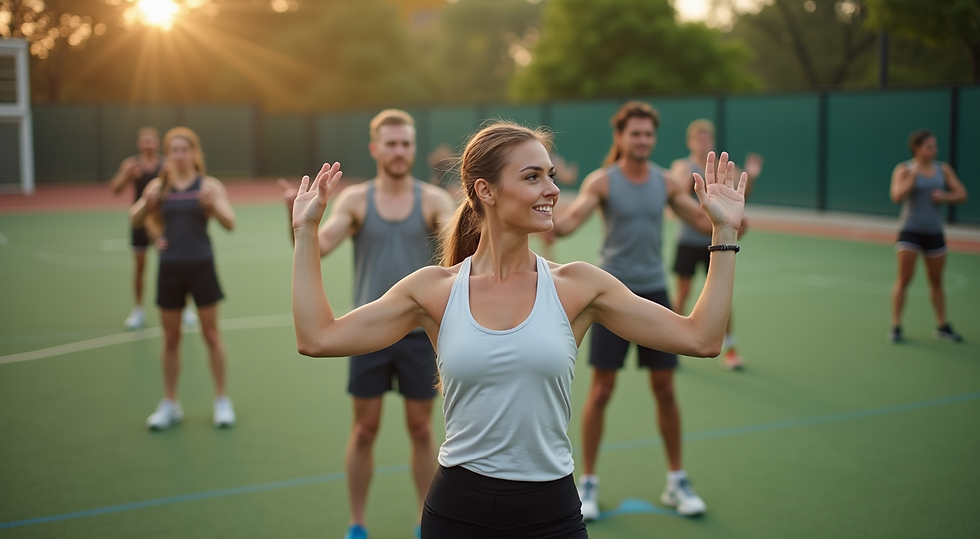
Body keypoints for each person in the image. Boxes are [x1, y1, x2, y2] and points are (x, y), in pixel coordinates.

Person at [290, 120, 747, 538]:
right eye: (533, 177)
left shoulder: (579, 286)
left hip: (551, 514)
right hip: (456, 512)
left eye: (550, 175)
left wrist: (723, 233)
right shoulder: (434, 290)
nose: (551, 189)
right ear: (486, 191)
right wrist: (307, 232)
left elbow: (701, 338)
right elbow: (318, 337)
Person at [279, 110, 456, 539]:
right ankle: (357, 524)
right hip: (368, 333)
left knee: (420, 429)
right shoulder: (355, 201)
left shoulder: (433, 201)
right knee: (364, 429)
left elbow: (458, 250)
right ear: (375, 148)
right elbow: (318, 246)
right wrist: (303, 223)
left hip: (419, 337)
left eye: (406, 144)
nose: (399, 151)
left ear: (413, 149)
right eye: (390, 143)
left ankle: (423, 522)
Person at [551, 102, 716, 519]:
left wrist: (728, 218)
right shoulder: (602, 182)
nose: (642, 140)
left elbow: (700, 221)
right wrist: (545, 215)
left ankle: (676, 480)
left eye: (648, 134)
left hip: (653, 295)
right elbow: (570, 222)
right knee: (602, 391)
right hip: (610, 299)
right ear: (620, 137)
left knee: (665, 389)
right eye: (635, 133)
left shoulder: (665, 181)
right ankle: (586, 484)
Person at [130, 127, 237, 430]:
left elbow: (230, 222)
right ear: (169, 154)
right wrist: (151, 219)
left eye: (184, 149)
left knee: (211, 335)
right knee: (171, 339)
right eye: (173, 150)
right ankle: (170, 404)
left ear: (194, 152)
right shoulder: (159, 186)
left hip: (201, 265)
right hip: (170, 268)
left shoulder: (209, 185)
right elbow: (136, 218)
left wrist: (212, 206)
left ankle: (221, 401)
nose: (179, 155)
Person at [670, 119, 762, 370]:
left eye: (707, 138)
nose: (702, 142)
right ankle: (672, 346)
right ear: (690, 142)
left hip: (718, 242)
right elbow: (677, 191)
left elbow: (742, 196)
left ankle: (731, 350)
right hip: (689, 240)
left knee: (722, 297)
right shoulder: (682, 166)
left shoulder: (725, 169)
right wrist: (694, 180)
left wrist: (751, 177)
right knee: (684, 293)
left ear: (712, 141)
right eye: (698, 139)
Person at [109, 127, 198, 330]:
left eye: (151, 140)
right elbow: (115, 189)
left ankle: (185, 309)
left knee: (175, 265)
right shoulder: (132, 165)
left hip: (162, 222)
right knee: (140, 267)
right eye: (144, 140)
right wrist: (127, 176)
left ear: (158, 144)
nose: (148, 143)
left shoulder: (166, 165)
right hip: (141, 221)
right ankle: (139, 310)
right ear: (139, 144)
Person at [888, 130, 968, 343]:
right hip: (910, 229)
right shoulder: (904, 169)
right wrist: (912, 178)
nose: (934, 150)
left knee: (936, 280)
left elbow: (962, 193)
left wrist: (944, 197)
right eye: (929, 147)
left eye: (935, 146)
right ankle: (896, 326)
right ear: (917, 148)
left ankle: (942, 325)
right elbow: (896, 196)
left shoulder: (943, 169)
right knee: (904, 277)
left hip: (934, 231)